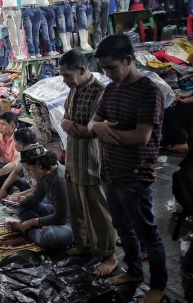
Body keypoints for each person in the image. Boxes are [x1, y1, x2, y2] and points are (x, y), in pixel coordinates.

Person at [87, 34, 166, 303]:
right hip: (111, 172)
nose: (107, 74)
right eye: (104, 68)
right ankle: (134, 272)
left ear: (128, 60)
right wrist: (97, 127)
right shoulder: (111, 89)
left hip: (135, 174)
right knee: (123, 228)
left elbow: (141, 137)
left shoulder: (150, 91)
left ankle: (158, 285)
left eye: (111, 67)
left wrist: (103, 131)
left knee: (147, 233)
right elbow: (92, 124)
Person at [58, 49, 118, 276]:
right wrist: (68, 125)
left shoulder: (100, 93)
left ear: (83, 70)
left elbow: (96, 129)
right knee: (77, 208)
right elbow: (65, 118)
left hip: (93, 161)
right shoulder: (73, 90)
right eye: (62, 76)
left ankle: (109, 255)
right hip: (74, 159)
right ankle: (84, 245)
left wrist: (73, 127)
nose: (64, 81)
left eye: (67, 75)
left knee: (98, 211)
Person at [5, 144, 74, 250]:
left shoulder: (60, 180)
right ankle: (39, 228)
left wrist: (31, 222)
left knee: (50, 237)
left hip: (71, 219)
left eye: (28, 170)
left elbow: (61, 217)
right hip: (56, 211)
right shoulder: (44, 173)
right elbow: (37, 195)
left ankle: (27, 229)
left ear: (38, 165)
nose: (28, 174)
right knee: (21, 207)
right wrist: (21, 199)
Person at [0, 127, 39, 203]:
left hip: (43, 193)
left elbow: (36, 190)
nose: (14, 145)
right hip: (30, 185)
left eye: (15, 142)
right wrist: (3, 188)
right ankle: (16, 193)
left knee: (25, 210)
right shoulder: (25, 151)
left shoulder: (35, 157)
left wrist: (17, 197)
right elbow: (16, 172)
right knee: (7, 182)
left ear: (20, 146)